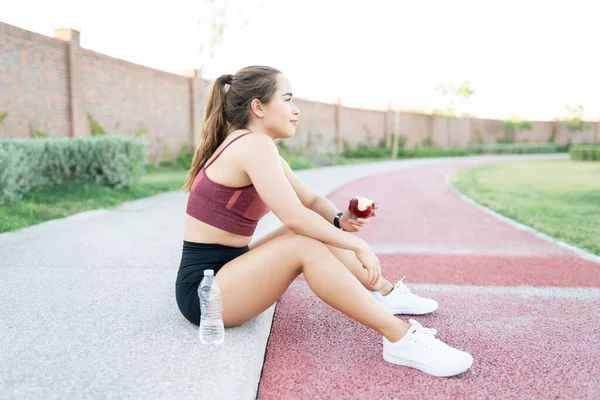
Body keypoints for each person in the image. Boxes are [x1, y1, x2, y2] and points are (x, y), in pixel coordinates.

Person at [176, 65, 473, 377]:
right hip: (205, 292)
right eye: (287, 99)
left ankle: (382, 292)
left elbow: (312, 202)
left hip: (229, 267)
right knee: (302, 244)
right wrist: (354, 243)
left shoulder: (259, 147)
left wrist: (339, 220)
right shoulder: (252, 145)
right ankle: (398, 337)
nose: (296, 110)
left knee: (316, 229)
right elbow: (295, 215)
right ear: (258, 107)